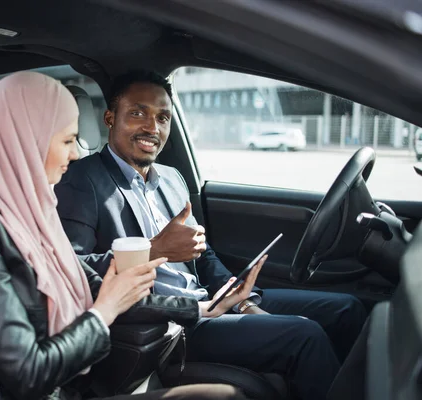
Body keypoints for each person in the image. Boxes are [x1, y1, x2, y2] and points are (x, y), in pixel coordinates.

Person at [0, 71, 255, 400]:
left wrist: (201, 308)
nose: (75, 154)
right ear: (27, 140)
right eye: (67, 141)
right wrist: (103, 314)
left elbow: (98, 286)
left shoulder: (31, 212)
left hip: (68, 388)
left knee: (223, 396)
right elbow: (28, 374)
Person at [54, 70, 368, 400]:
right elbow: (74, 269)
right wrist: (155, 249)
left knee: (347, 309)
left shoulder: (172, 178)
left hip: (211, 301)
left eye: (163, 117)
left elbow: (203, 255)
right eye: (137, 113)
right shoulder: (81, 180)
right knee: (305, 335)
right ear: (109, 118)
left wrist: (239, 296)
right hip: (169, 323)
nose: (152, 127)